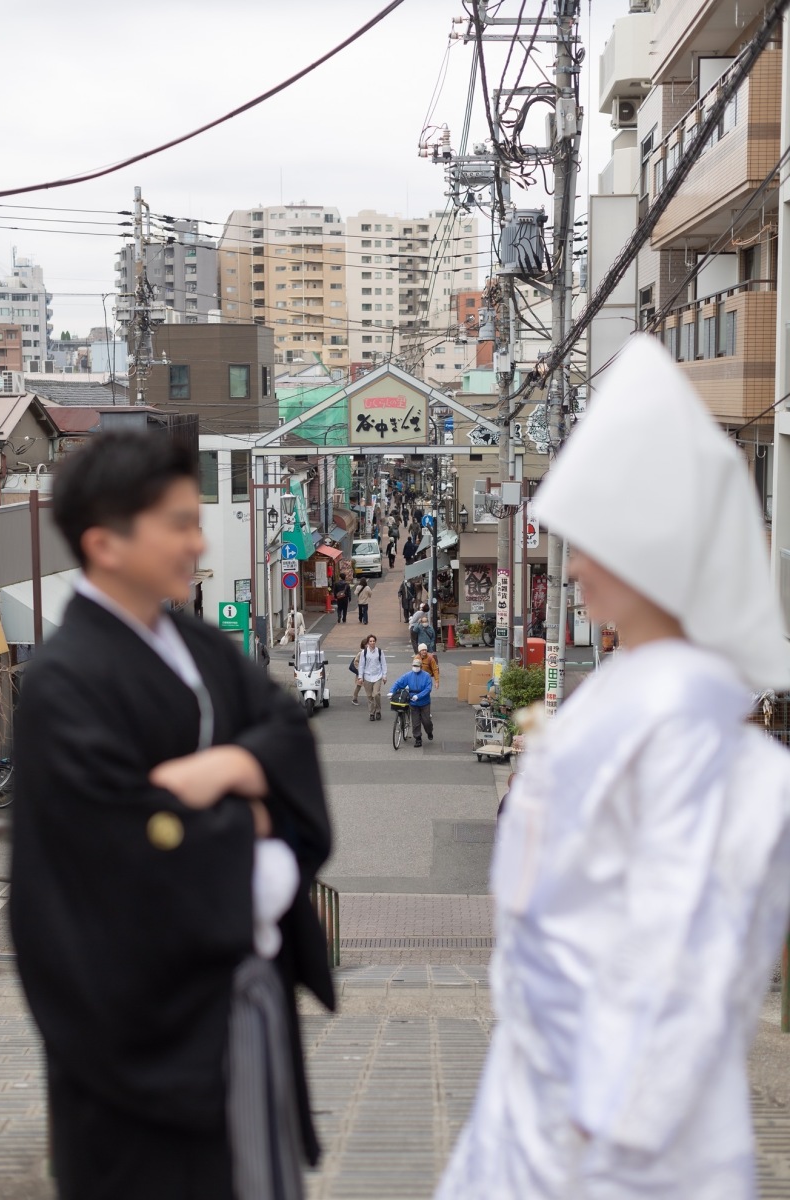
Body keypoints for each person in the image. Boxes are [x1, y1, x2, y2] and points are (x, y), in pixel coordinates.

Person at [434, 337, 790, 1200]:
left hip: (607, 1143)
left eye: (597, 543)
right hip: (552, 1109)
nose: (578, 566)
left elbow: (681, 978)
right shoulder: (642, 710)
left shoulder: (683, 739)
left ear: (657, 553)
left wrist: (591, 1131)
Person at [11, 432, 333, 1200]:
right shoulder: (63, 685)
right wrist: (261, 835)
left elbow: (283, 730)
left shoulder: (189, 640)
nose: (198, 542)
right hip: (136, 1032)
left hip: (234, 998)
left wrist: (229, 767)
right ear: (104, 543)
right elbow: (122, 850)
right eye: (180, 524)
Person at [388, 656, 433, 747]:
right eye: (414, 666)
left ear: (421, 666)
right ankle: (418, 738)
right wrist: (391, 692)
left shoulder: (426, 676)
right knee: (415, 722)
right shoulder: (408, 675)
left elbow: (428, 689)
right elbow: (398, 683)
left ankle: (429, 731)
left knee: (426, 721)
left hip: (424, 701)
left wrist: (418, 696)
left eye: (417, 666)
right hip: (413, 702)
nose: (415, 668)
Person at [356, 633, 388, 722]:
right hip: (367, 677)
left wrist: (384, 676)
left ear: (375, 642)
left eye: (373, 641)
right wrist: (360, 677)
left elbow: (383, 664)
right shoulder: (364, 652)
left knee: (376, 694)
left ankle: (378, 711)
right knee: (369, 696)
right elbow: (361, 665)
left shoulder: (380, 652)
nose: (372, 642)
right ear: (368, 642)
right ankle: (371, 713)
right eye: (370, 641)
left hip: (377, 676)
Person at [351, 636, 369, 706]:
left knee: (368, 686)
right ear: (364, 645)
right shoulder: (361, 653)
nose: (368, 645)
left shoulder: (370, 652)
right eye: (366, 644)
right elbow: (356, 662)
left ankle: (370, 699)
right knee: (359, 686)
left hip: (367, 673)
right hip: (361, 673)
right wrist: (360, 670)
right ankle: (354, 699)